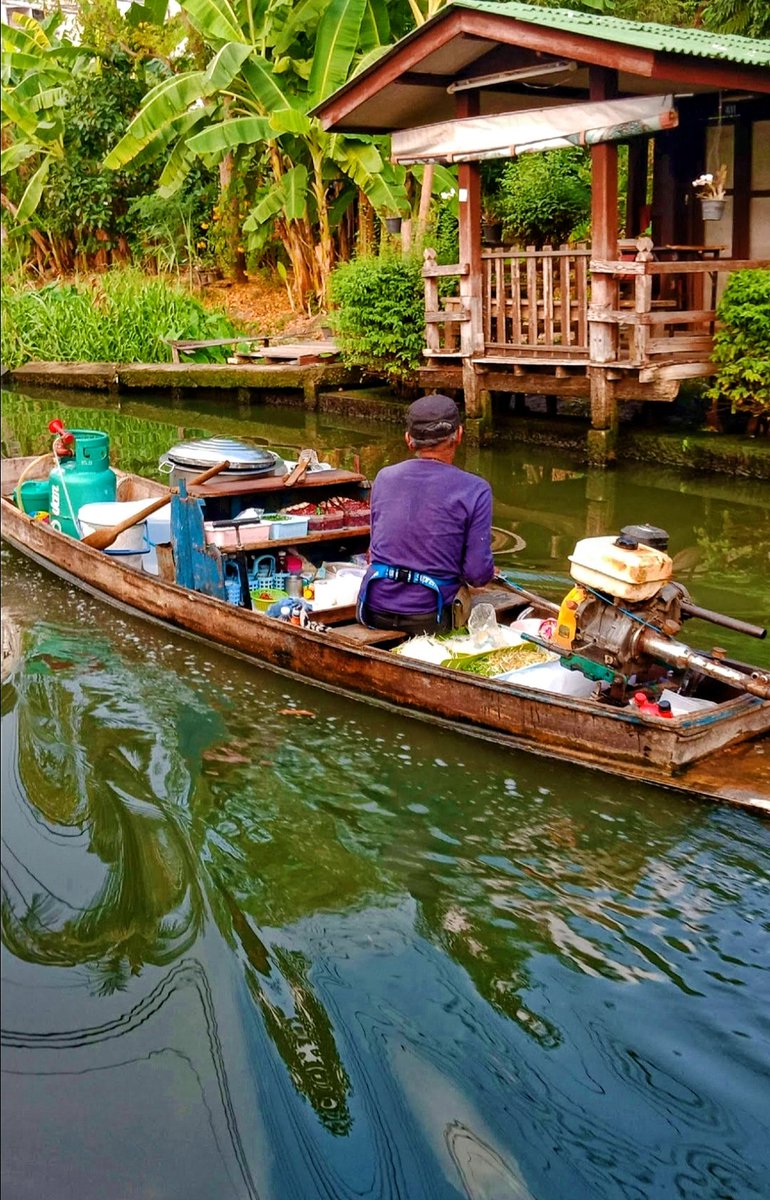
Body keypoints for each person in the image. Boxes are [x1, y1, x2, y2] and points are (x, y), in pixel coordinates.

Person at [357, 394, 495, 635]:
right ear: (459, 435)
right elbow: (478, 575)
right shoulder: (476, 489)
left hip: (373, 609)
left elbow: (376, 549)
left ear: (409, 440)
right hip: (430, 618)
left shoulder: (384, 477)